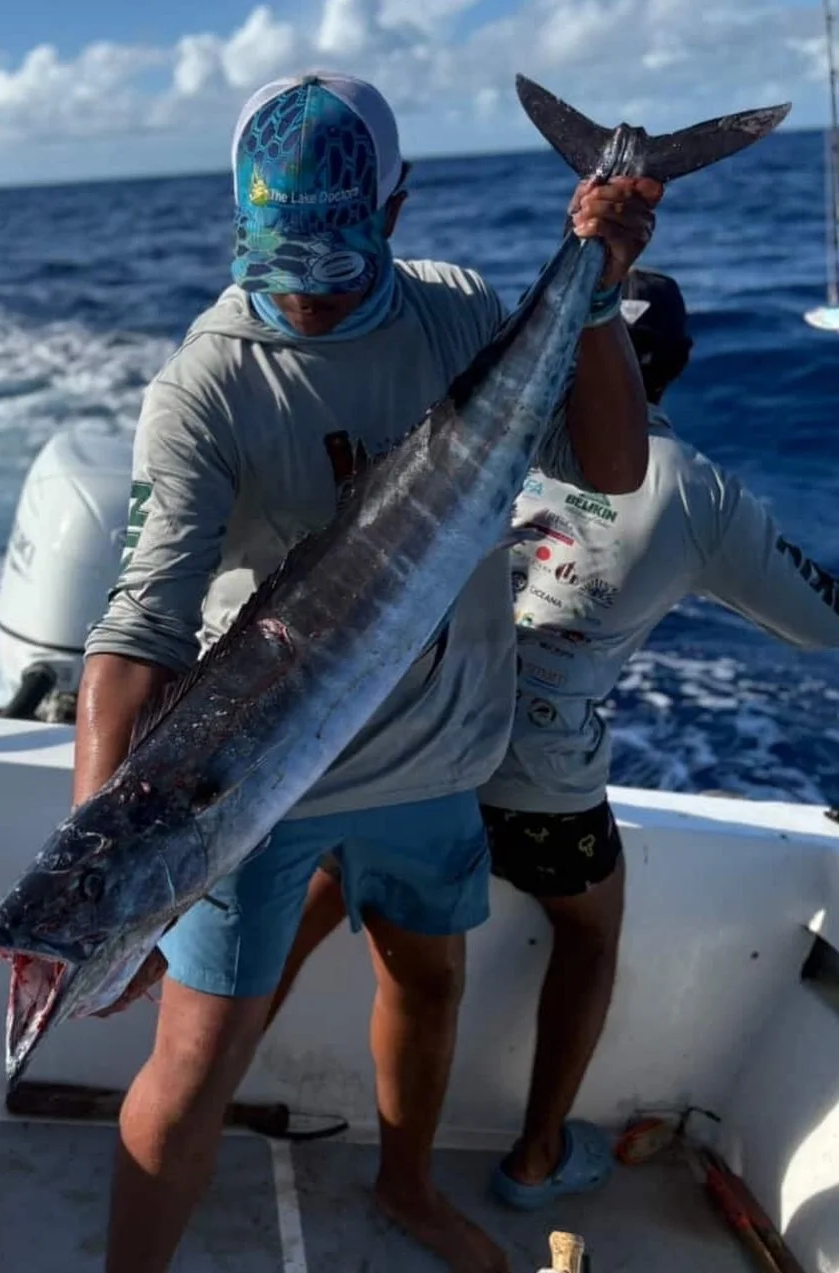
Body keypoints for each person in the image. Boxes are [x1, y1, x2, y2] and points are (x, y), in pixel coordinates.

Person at [75, 70, 660, 1273]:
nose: (301, 291)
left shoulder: (454, 312)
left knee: (427, 983)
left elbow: (606, 466)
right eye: (273, 258)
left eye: (331, 260)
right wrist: (103, 864)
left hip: (435, 753)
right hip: (252, 783)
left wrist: (594, 294)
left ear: (395, 213)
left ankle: (404, 1187)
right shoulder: (206, 385)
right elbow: (138, 631)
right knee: (193, 1061)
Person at [267, 265, 839, 1215]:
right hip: (539, 786)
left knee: (323, 886)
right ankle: (534, 1155)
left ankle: (206, 1075)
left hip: (412, 745)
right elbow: (820, 624)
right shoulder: (697, 491)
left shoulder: (491, 438)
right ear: (682, 366)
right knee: (589, 929)